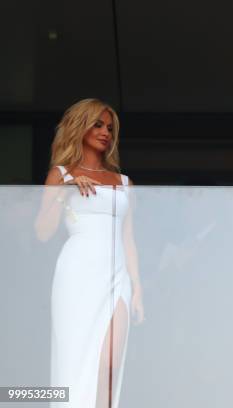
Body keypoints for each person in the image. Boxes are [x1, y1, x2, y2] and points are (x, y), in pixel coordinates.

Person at [34, 98, 144, 408]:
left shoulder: (124, 182)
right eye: (97, 124)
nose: (105, 132)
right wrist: (65, 191)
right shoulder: (61, 175)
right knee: (74, 360)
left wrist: (138, 288)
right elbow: (42, 233)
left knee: (110, 364)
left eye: (109, 127)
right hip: (76, 276)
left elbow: (129, 239)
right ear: (79, 126)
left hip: (118, 277)